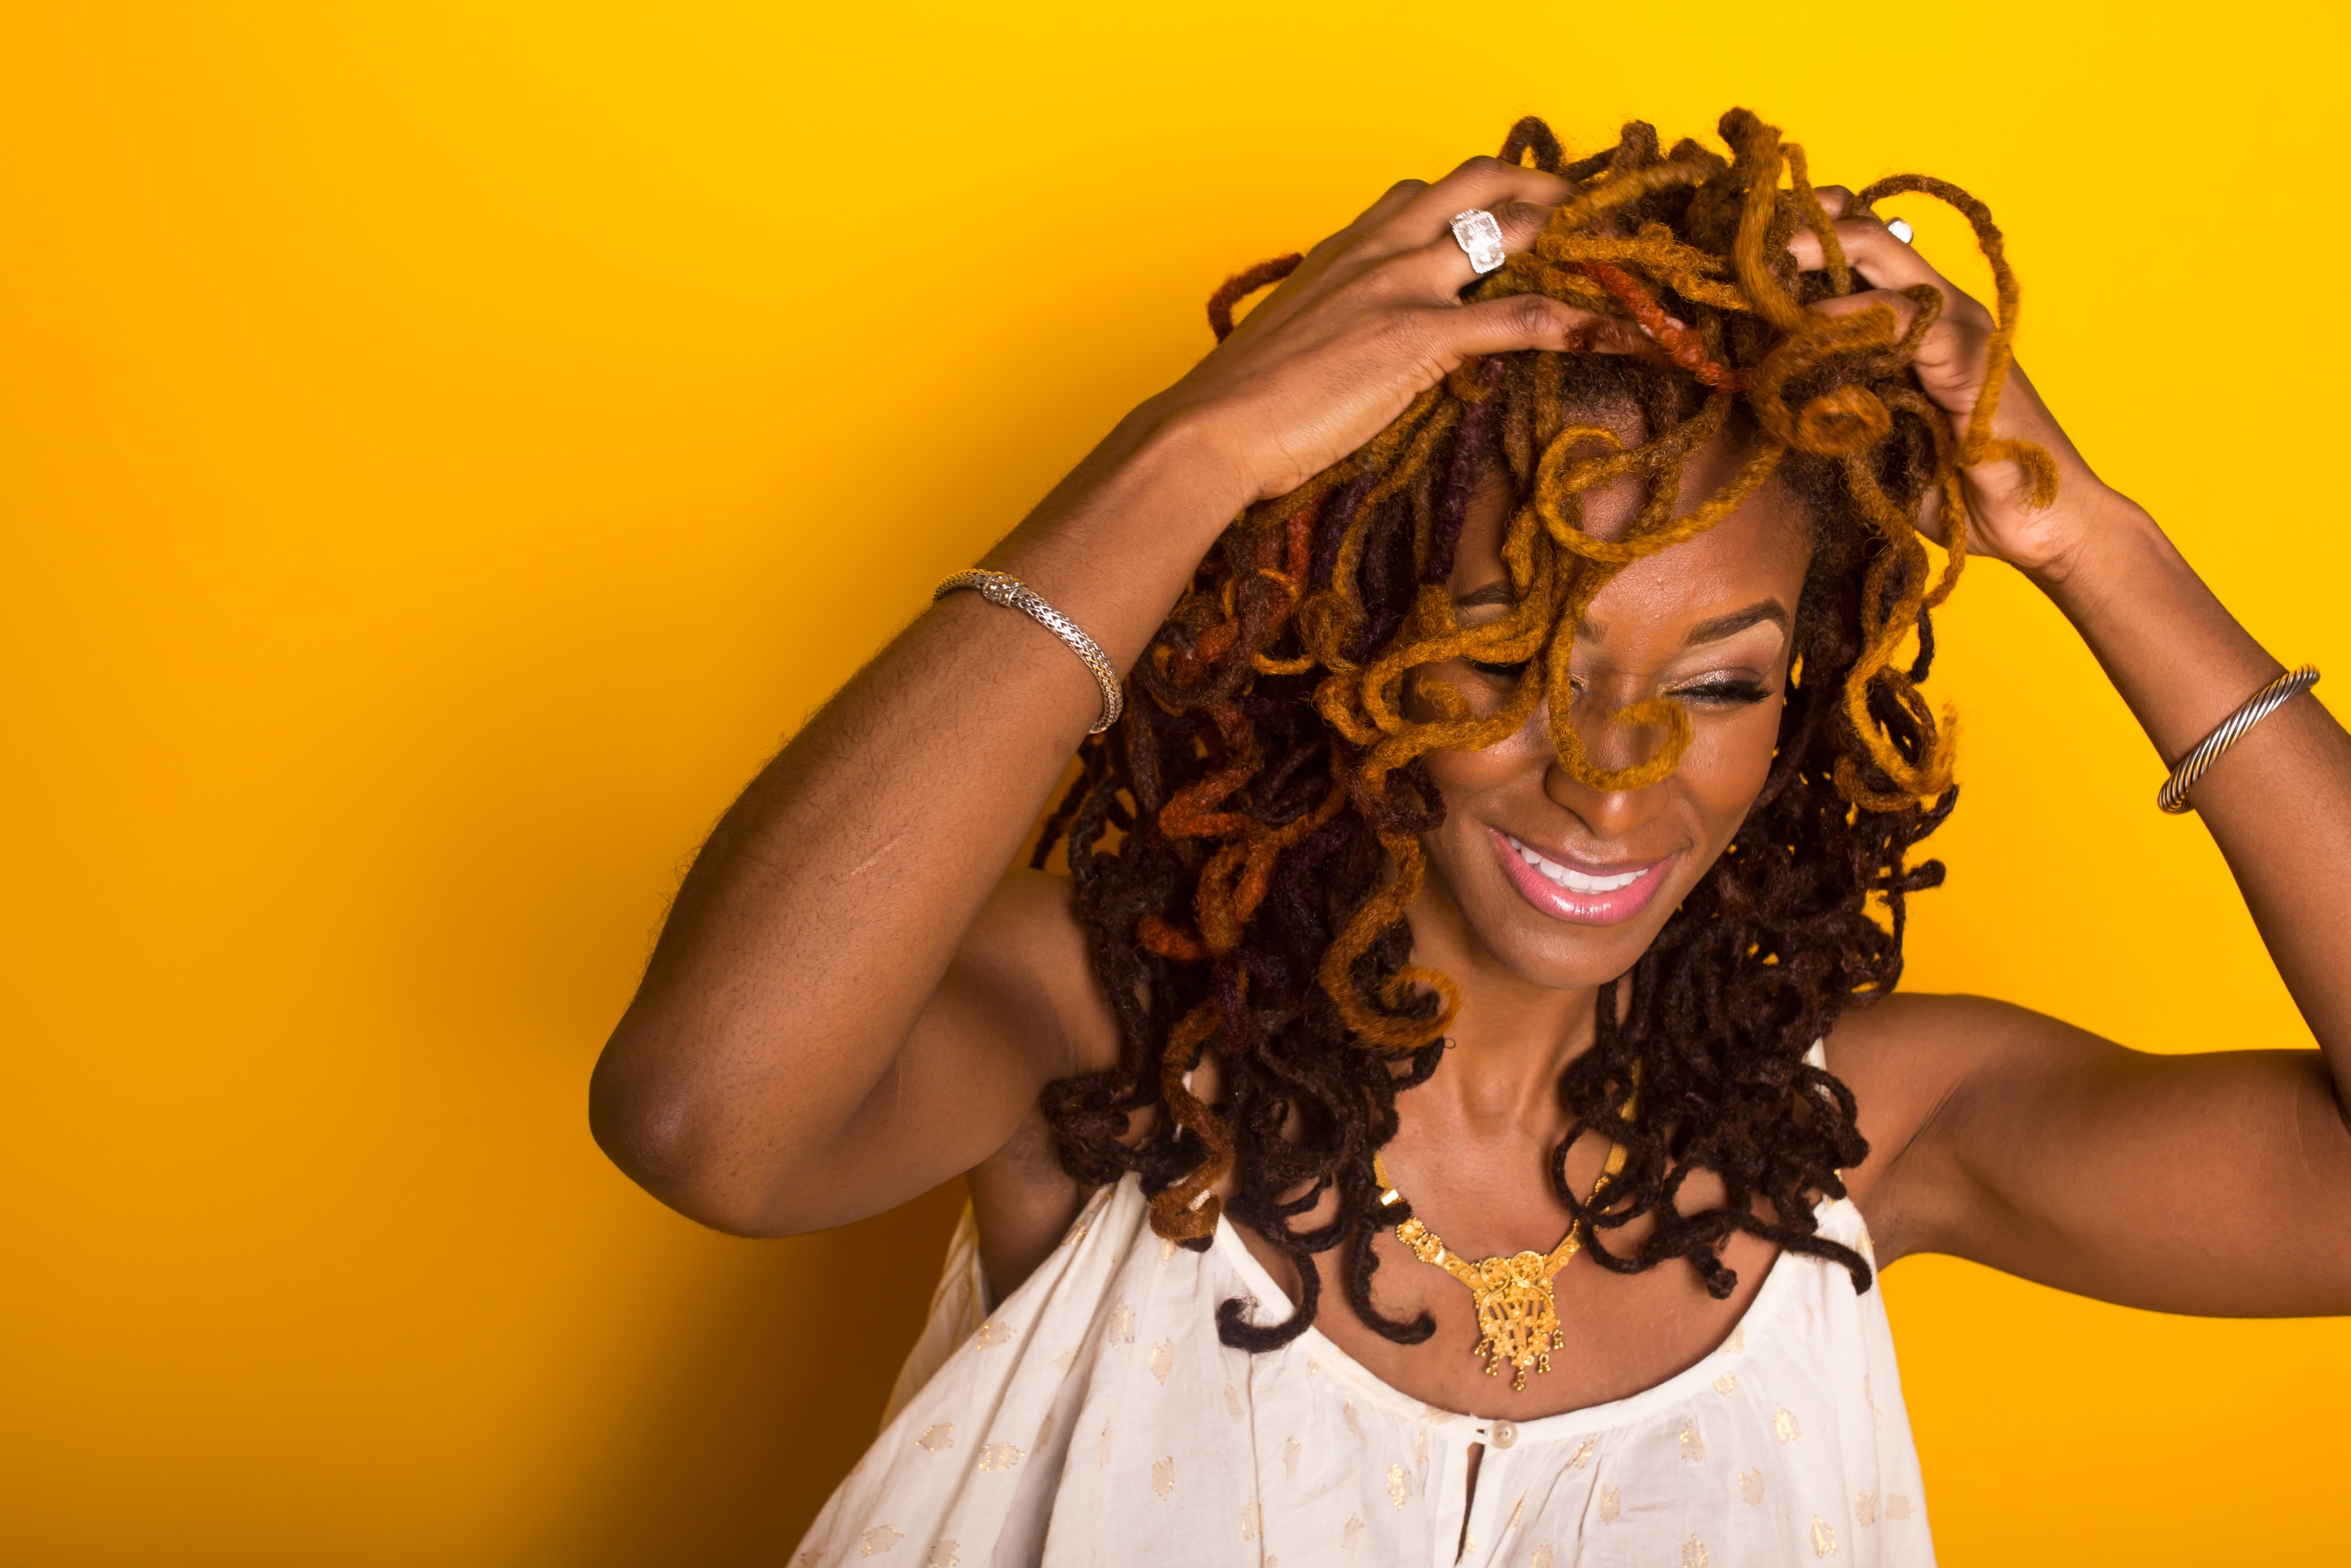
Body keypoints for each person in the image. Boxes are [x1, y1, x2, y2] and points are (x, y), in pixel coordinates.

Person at [587, 110, 2351, 1566]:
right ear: (1357, 639)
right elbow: (703, 1117)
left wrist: (2091, 537)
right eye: (1512, 662)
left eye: (1721, 684)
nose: (1614, 773)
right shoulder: (1106, 1039)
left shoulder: (1861, 1138)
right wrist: (1194, 454)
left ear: (1800, 705)